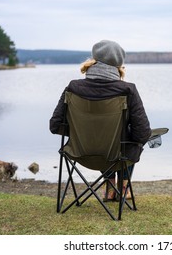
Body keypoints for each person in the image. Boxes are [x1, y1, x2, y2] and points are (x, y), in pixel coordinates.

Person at [50, 40, 151, 201]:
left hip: (80, 152)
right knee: (132, 140)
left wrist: (81, 132)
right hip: (116, 156)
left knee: (110, 138)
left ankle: (110, 186)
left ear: (94, 60)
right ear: (118, 66)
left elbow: (55, 126)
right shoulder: (128, 90)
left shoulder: (72, 87)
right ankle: (123, 188)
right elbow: (142, 134)